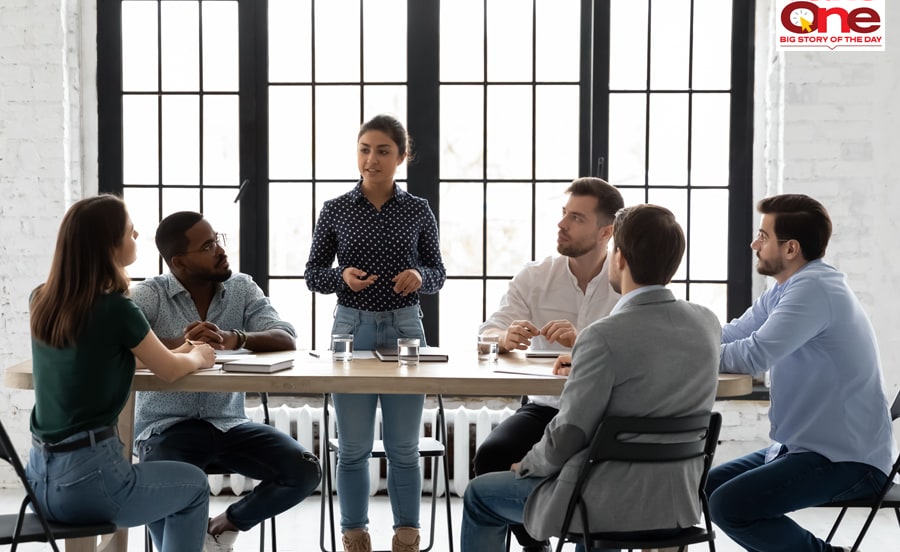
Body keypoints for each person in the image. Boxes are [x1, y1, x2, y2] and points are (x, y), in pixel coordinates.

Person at [461, 204, 721, 552]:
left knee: (479, 495)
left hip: (600, 502)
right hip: (677, 503)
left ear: (620, 259)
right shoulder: (707, 324)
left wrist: (526, 464)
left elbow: (568, 434)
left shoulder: (601, 336)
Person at [26, 194, 215, 552]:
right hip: (90, 482)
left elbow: (103, 356)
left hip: (39, 482)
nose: (137, 235)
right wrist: (199, 356)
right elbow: (171, 371)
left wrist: (178, 350)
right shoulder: (116, 309)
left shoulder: (42, 300)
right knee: (193, 486)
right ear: (109, 246)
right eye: (130, 232)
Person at [708, 194, 894, 552]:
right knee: (705, 489)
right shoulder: (786, 288)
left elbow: (753, 354)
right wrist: (671, 338)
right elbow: (732, 334)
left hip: (845, 460)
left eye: (763, 236)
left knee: (728, 505)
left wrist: (679, 360)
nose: (754, 244)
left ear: (790, 248)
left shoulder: (814, 289)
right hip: (801, 449)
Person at [131, 211, 322, 552]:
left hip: (227, 424)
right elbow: (119, 347)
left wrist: (238, 338)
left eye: (217, 239)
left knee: (304, 471)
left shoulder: (241, 288)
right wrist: (183, 343)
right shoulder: (150, 295)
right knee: (169, 489)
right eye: (208, 246)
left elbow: (286, 336)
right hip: (165, 428)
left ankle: (223, 526)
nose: (220, 250)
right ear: (180, 263)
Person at [305, 113, 446, 552]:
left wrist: (420, 277)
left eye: (383, 150)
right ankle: (354, 532)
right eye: (365, 149)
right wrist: (340, 277)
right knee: (353, 447)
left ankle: (407, 531)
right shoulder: (335, 209)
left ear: (402, 157)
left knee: (404, 446)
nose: (372, 159)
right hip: (351, 328)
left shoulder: (418, 209)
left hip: (406, 327)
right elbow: (312, 274)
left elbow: (438, 272)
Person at [474, 176, 623, 552]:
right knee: (491, 455)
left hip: (606, 412)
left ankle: (588, 539)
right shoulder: (536, 276)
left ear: (606, 231)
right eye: (563, 214)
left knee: (607, 475)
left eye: (576, 218)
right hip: (547, 408)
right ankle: (534, 543)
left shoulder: (625, 281)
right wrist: (503, 339)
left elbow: (637, 350)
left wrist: (583, 342)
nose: (561, 224)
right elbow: (487, 332)